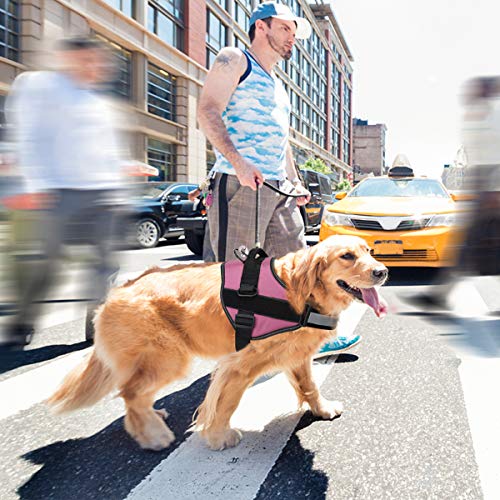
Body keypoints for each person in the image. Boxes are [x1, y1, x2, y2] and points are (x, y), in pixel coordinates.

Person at [197, 1, 360, 357]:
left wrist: (294, 180)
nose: (292, 39)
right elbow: (207, 110)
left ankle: (316, 333)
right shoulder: (234, 59)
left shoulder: (278, 85)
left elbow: (281, 141)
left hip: (279, 189)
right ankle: (233, 349)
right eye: (285, 29)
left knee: (298, 268)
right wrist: (239, 163)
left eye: (294, 32)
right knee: (236, 272)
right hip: (239, 184)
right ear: (261, 27)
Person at [0, 36, 125, 349]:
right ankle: (22, 323)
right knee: (46, 264)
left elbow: (106, 151)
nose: (97, 67)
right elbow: (27, 135)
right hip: (56, 192)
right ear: (70, 57)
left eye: (100, 62)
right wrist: (35, 185)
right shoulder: (39, 85)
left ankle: (98, 327)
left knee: (104, 264)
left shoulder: (98, 102)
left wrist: (119, 182)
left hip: (101, 194)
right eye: (90, 60)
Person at [406, 76, 500, 309]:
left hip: (491, 182)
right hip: (481, 183)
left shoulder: (495, 115)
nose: (468, 94)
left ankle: (439, 295)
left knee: (472, 242)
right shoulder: (479, 114)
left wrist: (495, 191)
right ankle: (440, 294)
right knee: (469, 243)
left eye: (475, 89)